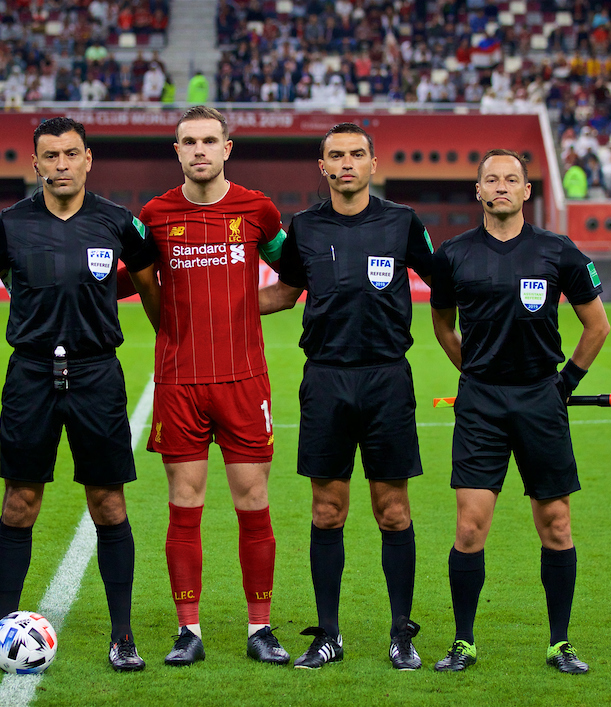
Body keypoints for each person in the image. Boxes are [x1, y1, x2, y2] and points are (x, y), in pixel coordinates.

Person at [0, 117, 160, 672]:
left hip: (97, 375)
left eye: (69, 154)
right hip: (29, 376)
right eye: (49, 156)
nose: (60, 164)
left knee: (108, 503)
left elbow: (151, 293)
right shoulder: (8, 225)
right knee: (19, 503)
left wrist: (172, 355)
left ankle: (122, 636)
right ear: (35, 163)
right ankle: (1, 633)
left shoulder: (118, 223)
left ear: (87, 159)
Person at [258, 123, 433, 670]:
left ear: (372, 164)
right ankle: (328, 635)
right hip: (327, 379)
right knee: (327, 510)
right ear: (324, 167)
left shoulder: (402, 222)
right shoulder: (304, 227)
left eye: (358, 154)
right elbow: (285, 293)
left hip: (386, 379)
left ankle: (401, 635)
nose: (348, 163)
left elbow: (448, 282)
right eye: (337, 155)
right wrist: (214, 302)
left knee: (394, 512)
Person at [429, 149, 610, 674]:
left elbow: (597, 325)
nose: (501, 186)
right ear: (479, 191)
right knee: (470, 528)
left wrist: (564, 385)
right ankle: (463, 642)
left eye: (512, 179)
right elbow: (442, 325)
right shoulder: (453, 254)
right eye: (492, 179)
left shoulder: (559, 251)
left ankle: (560, 643)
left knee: (556, 523)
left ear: (527, 191)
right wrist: (474, 372)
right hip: (481, 403)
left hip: (540, 400)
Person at [139, 106, 290, 666]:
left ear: (228, 148)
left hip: (244, 381)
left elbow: (291, 277)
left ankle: (260, 627)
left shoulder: (258, 210)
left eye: (209, 140)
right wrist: (174, 325)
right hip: (180, 381)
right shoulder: (154, 216)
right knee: (185, 503)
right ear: (176, 151)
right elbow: (141, 284)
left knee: (254, 502)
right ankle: (188, 631)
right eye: (188, 141)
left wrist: (241, 307)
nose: (199, 150)